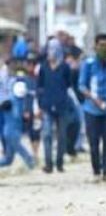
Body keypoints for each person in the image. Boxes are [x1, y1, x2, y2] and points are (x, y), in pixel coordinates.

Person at [79, 33, 106, 181]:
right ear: (95, 46)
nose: (104, 48)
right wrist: (95, 100)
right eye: (101, 45)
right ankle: (96, 172)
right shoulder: (88, 63)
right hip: (91, 109)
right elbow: (82, 86)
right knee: (94, 142)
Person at [37, 39, 74, 173]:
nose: (50, 52)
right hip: (47, 106)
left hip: (62, 105)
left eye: (53, 49)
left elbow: (69, 85)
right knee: (47, 134)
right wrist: (39, 105)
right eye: (49, 49)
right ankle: (48, 164)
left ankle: (59, 163)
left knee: (61, 136)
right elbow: (39, 86)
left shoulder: (64, 67)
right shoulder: (44, 66)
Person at [0, 76, 34, 170]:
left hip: (16, 132)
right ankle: (30, 162)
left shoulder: (22, 101)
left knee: (8, 160)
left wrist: (25, 118)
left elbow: (21, 117)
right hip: (10, 133)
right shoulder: (8, 102)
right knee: (19, 147)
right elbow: (3, 106)